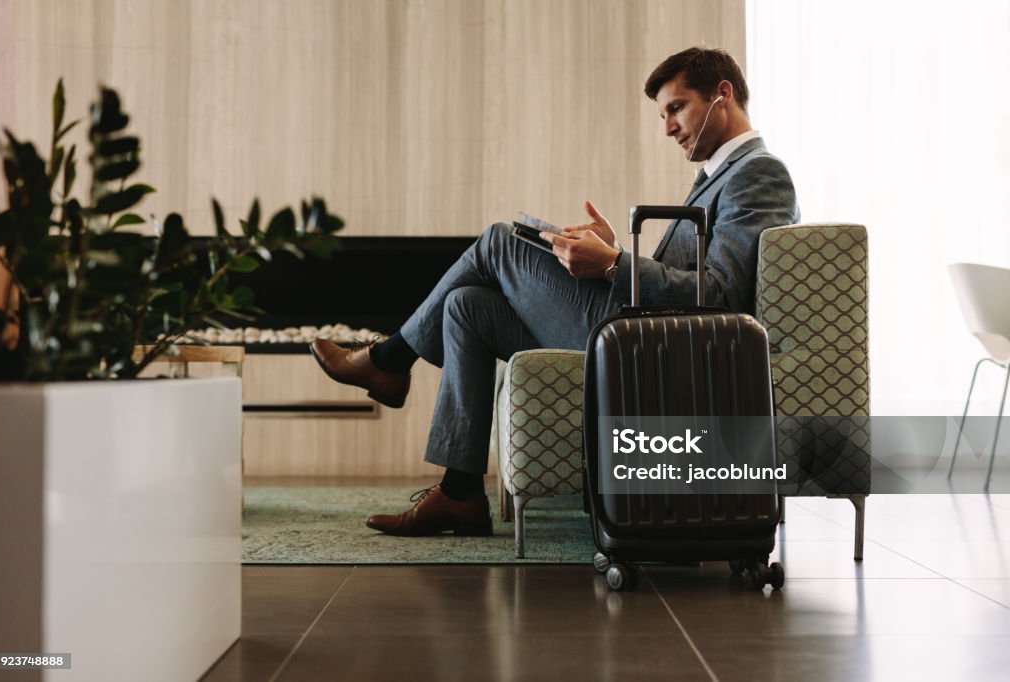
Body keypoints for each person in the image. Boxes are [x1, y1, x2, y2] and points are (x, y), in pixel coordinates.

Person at [310, 46, 800, 536]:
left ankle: (390, 361)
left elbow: (721, 297)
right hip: (639, 332)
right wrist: (612, 252)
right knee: (466, 306)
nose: (668, 127)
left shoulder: (758, 173)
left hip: (652, 351)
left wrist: (612, 264)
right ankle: (460, 492)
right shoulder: (716, 177)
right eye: (664, 114)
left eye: (676, 108)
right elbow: (690, 279)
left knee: (498, 243)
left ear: (723, 95)